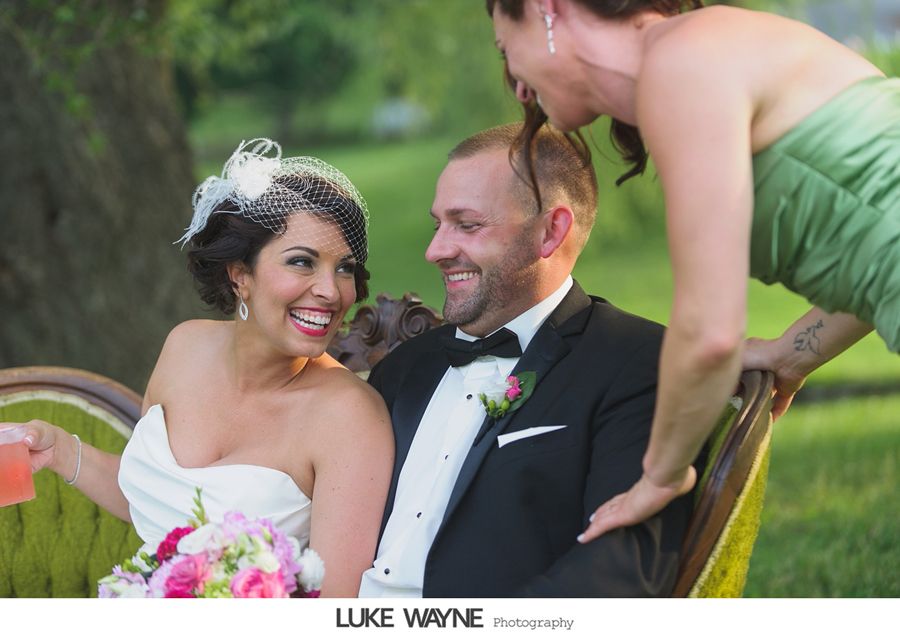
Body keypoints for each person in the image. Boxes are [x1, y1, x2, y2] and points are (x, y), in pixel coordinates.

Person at [487, 0, 899, 541]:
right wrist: (792, 352)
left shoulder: (683, 61)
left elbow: (709, 332)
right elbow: (874, 249)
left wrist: (659, 478)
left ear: (547, 8)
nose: (516, 85)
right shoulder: (689, 63)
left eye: (505, 49)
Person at [1, 139, 393, 597]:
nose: (331, 291)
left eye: (344, 269)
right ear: (239, 274)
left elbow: (336, 609)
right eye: (302, 262)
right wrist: (61, 451)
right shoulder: (184, 345)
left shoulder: (350, 417)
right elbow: (157, 503)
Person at [357, 123, 694, 598]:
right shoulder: (404, 368)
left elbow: (622, 570)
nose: (435, 250)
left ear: (550, 232)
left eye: (467, 225)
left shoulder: (635, 363)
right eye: (439, 224)